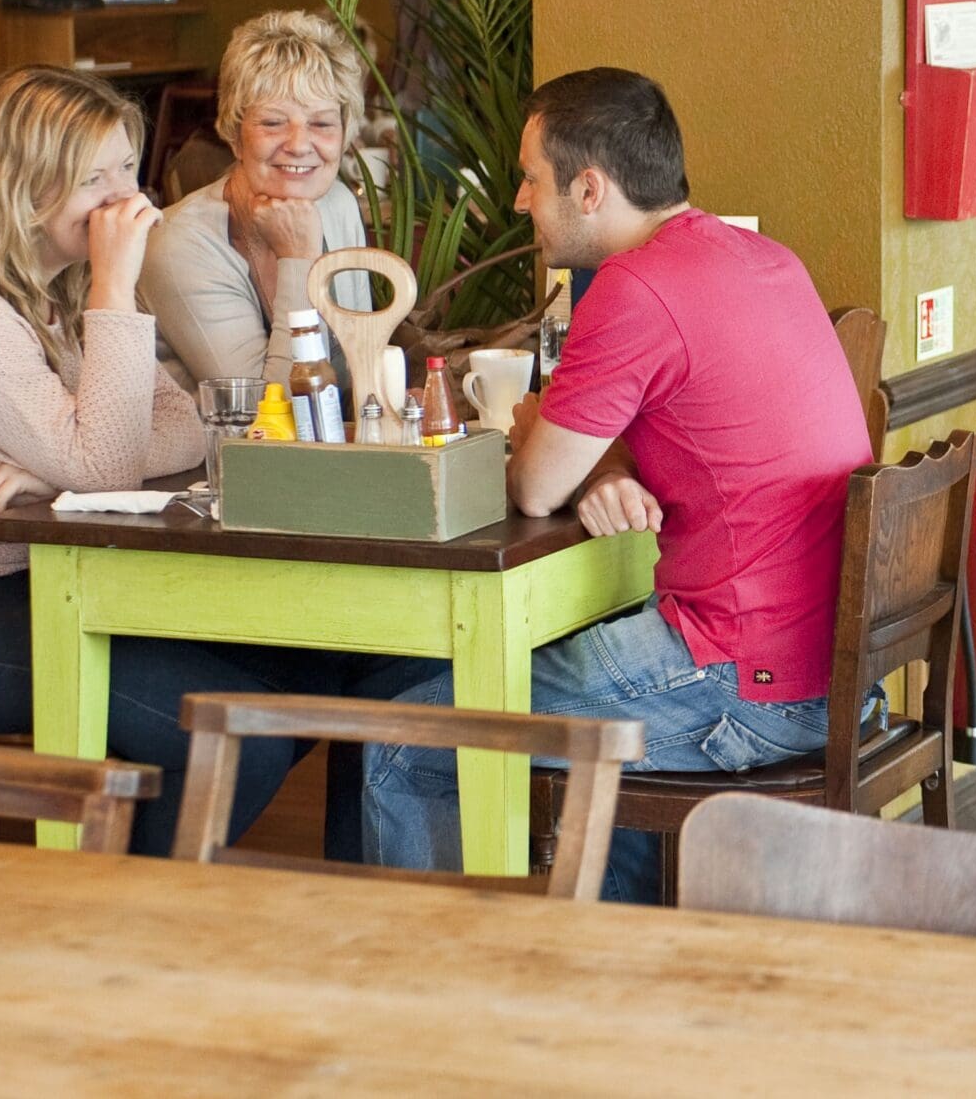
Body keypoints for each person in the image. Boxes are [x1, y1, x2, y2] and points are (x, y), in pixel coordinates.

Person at [0, 67, 407, 855]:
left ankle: (131, 887)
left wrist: (57, 461)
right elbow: (109, 458)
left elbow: (183, 425)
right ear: (22, 183)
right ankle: (124, 922)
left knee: (310, 673)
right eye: (93, 178)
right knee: (239, 737)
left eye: (127, 172)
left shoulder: (54, 290)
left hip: (29, 579)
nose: (127, 202)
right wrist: (108, 311)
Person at [361, 68, 875, 901]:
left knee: (404, 744)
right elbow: (652, 431)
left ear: (589, 186)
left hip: (741, 678)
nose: (522, 202)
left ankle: (440, 994)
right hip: (831, 671)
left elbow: (531, 488)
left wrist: (540, 427)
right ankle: (613, 951)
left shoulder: (633, 288)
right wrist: (605, 460)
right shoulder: (764, 257)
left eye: (531, 179)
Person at [140, 10, 372, 388]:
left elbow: (358, 367)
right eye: (272, 122)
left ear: (345, 136)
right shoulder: (178, 245)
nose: (299, 145)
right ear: (234, 135)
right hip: (222, 448)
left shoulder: (338, 204)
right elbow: (266, 419)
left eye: (321, 123)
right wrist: (298, 260)